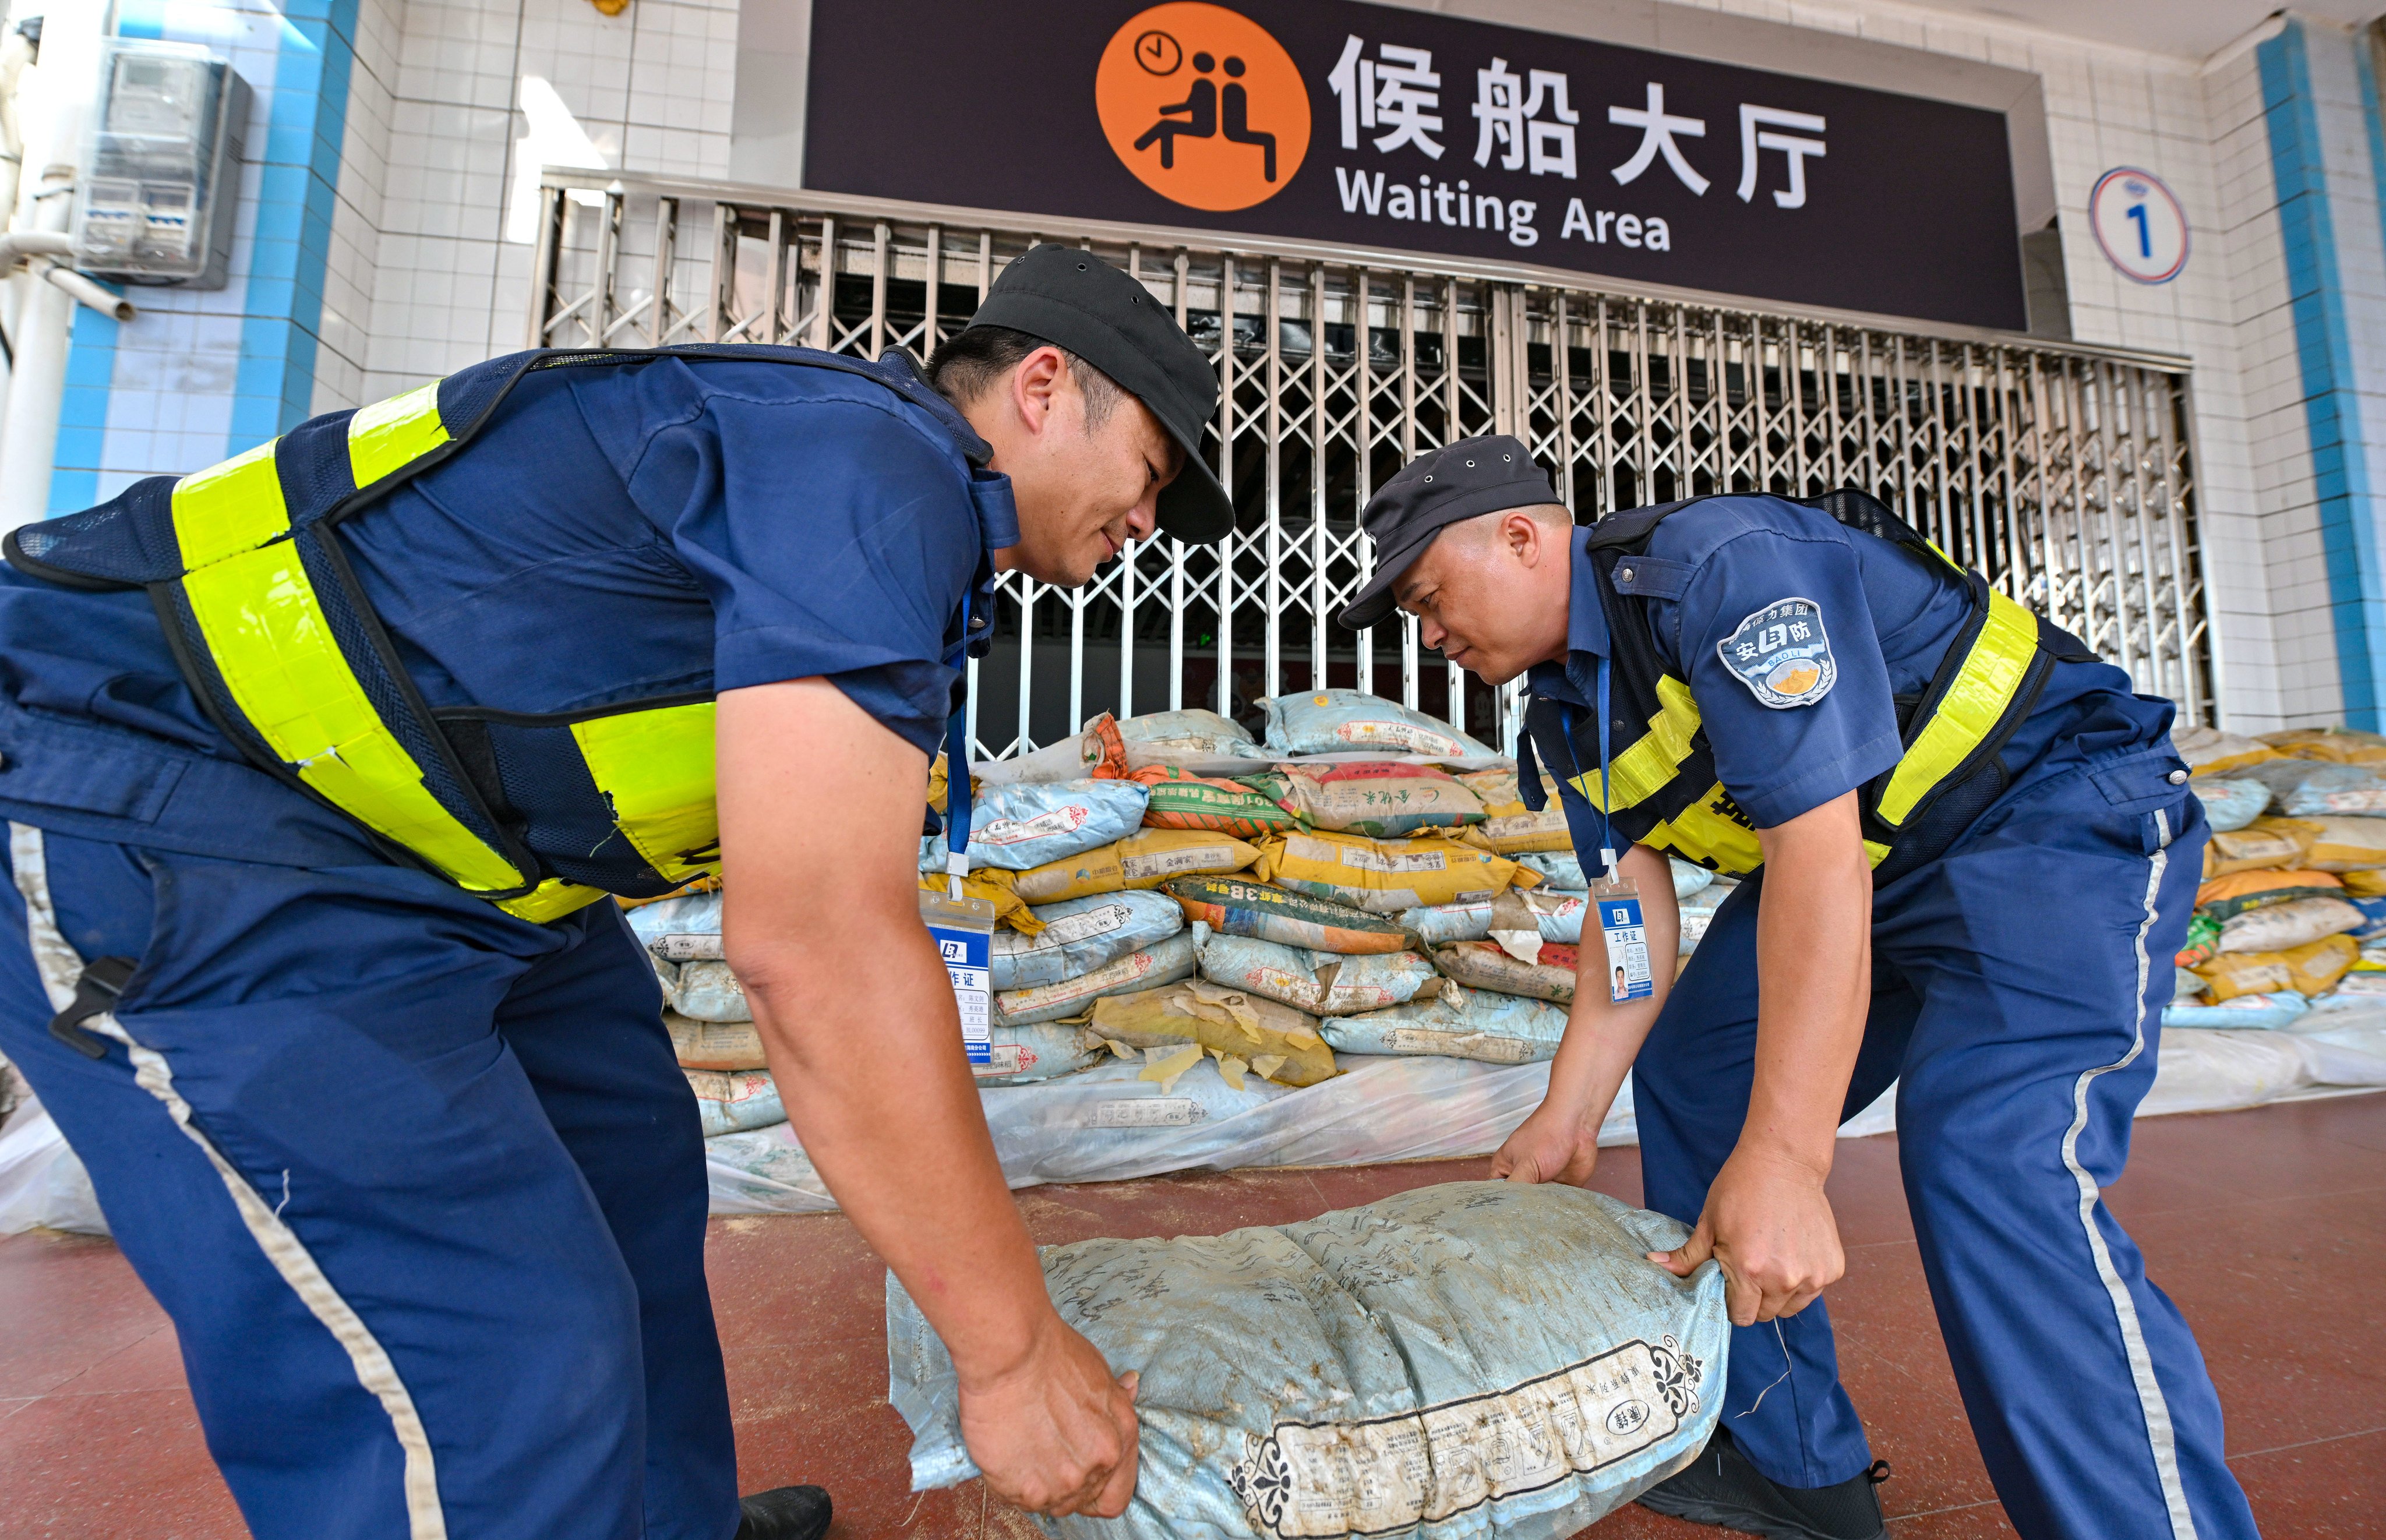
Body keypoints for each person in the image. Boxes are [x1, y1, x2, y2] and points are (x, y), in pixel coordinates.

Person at [0, 246, 1233, 1539]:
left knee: (626, 1169)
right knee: (492, 1348)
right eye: (1150, 476)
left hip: (455, 868)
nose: (1146, 526)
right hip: (181, 823)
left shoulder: (862, 478)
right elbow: (811, 942)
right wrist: (1011, 1352)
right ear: (1041, 386)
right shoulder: (869, 473)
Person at [1336, 436, 2259, 1540]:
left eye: (1431, 598)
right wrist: (1565, 1115)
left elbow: (1815, 854)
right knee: (1696, 1069)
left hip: (2051, 820)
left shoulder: (1724, 571)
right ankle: (1794, 1461)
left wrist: (1789, 1158)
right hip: (1885, 868)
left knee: (1991, 1151)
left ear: (1523, 536)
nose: (1431, 636)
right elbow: (1630, 917)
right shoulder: (1566, 713)